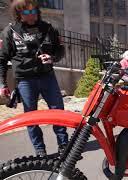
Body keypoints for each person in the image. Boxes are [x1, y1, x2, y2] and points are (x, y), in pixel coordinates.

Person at [0, 0, 68, 157]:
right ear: (19, 14)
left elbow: (60, 51)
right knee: (31, 116)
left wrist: (52, 57)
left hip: (47, 77)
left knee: (58, 112)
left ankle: (64, 146)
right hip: (25, 80)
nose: (31, 16)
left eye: (34, 12)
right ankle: (40, 150)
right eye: (27, 13)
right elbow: (2, 60)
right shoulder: (10, 31)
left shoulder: (48, 28)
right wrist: (2, 83)